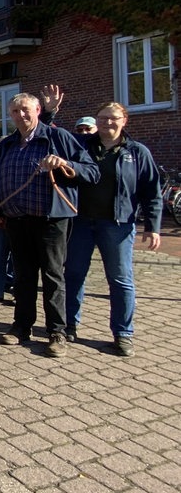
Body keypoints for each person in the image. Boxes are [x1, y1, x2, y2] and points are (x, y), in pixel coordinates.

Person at [0, 91, 99, 358]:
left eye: (25, 109)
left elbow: (91, 171)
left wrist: (64, 163)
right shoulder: (7, 144)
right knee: (23, 275)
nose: (20, 115)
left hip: (51, 220)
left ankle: (57, 332)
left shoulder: (57, 138)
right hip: (16, 219)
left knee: (52, 275)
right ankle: (21, 327)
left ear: (38, 110)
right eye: (15, 111)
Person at [64, 101, 161, 357]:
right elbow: (55, 136)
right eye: (103, 118)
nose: (108, 122)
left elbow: (152, 192)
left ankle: (123, 334)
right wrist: (50, 111)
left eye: (113, 118)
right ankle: (69, 324)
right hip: (81, 222)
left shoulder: (137, 152)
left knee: (120, 280)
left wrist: (153, 227)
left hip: (117, 225)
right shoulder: (82, 145)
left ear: (124, 120)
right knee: (73, 275)